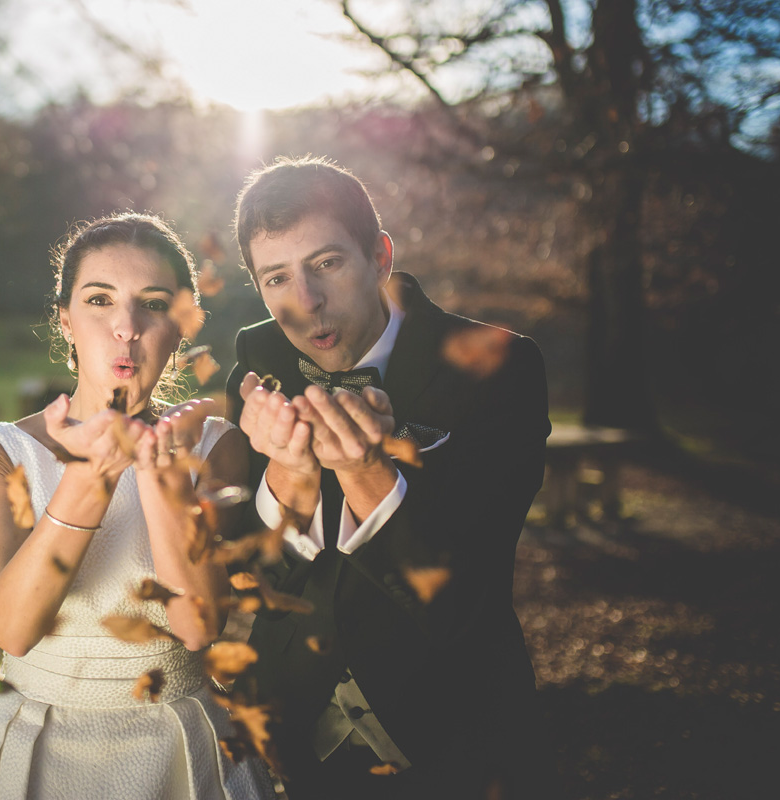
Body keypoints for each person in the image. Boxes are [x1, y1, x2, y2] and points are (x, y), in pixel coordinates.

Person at [225, 157, 555, 799]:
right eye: (277, 278)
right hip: (288, 733)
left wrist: (365, 472)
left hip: (456, 731)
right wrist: (286, 484)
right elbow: (252, 580)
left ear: (379, 255)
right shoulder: (257, 360)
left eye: (326, 263)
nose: (306, 301)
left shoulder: (501, 365)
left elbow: (467, 590)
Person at [0, 213, 274, 800]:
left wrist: (161, 479)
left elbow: (199, 626)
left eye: (153, 303)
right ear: (65, 320)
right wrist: (87, 482)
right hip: (33, 744)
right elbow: (13, 630)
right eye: (100, 300)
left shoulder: (217, 446)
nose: (126, 326)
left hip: (179, 743)